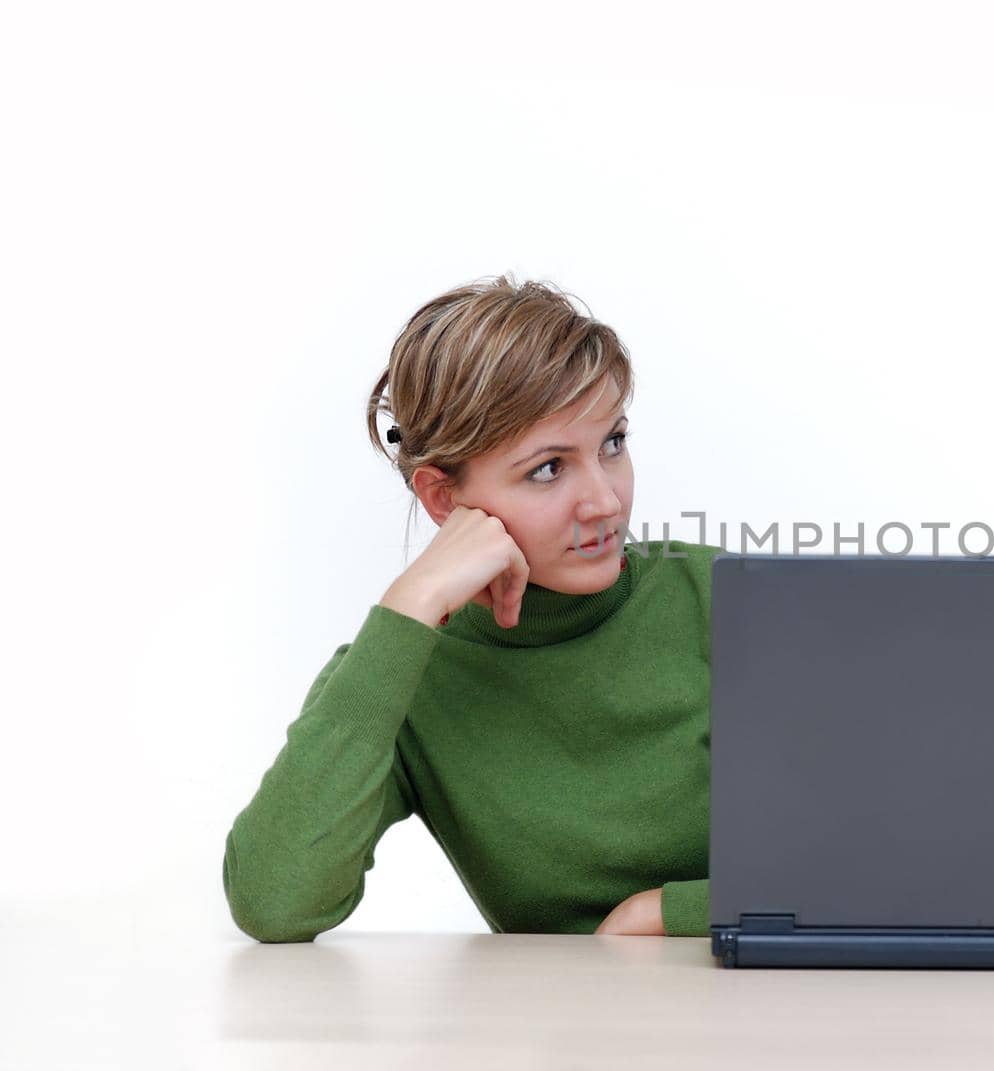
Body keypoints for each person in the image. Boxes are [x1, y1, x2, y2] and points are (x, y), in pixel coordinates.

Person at [223, 274, 717, 942]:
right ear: (442, 500)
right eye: (548, 467)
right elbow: (273, 901)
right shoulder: (402, 676)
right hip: (546, 1041)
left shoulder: (718, 597)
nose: (604, 500)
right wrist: (413, 602)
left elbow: (888, 855)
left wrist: (667, 914)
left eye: (613, 443)